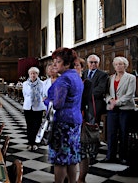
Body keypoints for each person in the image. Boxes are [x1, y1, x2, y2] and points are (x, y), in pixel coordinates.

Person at [44, 47, 83, 183]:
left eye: (58, 61)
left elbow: (57, 104)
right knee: (72, 158)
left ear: (67, 64)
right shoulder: (76, 76)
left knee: (60, 160)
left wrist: (47, 100)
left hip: (63, 123)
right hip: (75, 119)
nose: (54, 64)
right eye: (54, 61)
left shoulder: (63, 79)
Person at [102, 56, 136, 164]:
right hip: (112, 109)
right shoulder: (110, 78)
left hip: (125, 109)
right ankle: (110, 156)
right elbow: (106, 93)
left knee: (123, 133)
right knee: (111, 133)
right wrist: (110, 100)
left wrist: (116, 102)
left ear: (125, 65)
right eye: (116, 64)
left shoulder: (131, 78)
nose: (118, 66)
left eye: (120, 64)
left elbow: (130, 95)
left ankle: (123, 156)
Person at [75, 58, 98, 183]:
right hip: (66, 121)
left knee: (82, 151)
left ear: (82, 68)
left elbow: (85, 101)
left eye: (77, 66)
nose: (75, 68)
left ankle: (81, 179)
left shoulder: (86, 82)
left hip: (80, 119)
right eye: (72, 66)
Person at [22, 67, 46, 151]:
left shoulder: (42, 84)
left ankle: (35, 142)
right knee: (29, 125)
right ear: (29, 74)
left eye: (35, 73)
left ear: (37, 74)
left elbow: (44, 94)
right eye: (31, 73)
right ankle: (30, 142)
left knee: (37, 125)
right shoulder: (25, 84)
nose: (33, 75)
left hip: (38, 107)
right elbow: (25, 94)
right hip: (28, 107)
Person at [82, 54, 108, 125]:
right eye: (91, 62)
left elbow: (101, 88)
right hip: (84, 103)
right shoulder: (83, 73)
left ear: (98, 63)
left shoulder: (103, 75)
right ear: (87, 63)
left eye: (95, 62)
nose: (93, 64)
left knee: (93, 124)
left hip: (95, 103)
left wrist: (86, 94)